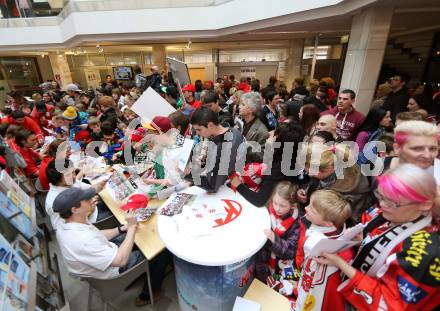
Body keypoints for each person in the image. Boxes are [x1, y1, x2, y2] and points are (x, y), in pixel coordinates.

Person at [317, 164, 440, 310]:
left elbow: (388, 305)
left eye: (393, 202)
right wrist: (362, 242)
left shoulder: (424, 252)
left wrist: (341, 264)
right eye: (380, 196)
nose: (382, 205)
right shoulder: (402, 214)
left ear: (424, 205)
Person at [53, 187, 170, 306]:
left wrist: (122, 228)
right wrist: (132, 227)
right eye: (86, 200)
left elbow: (98, 235)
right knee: (158, 250)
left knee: (139, 237)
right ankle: (148, 295)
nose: (92, 199)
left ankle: (142, 274)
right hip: (113, 272)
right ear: (75, 209)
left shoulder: (66, 224)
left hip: (105, 256)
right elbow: (121, 260)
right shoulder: (82, 240)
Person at [296, 189, 352, 311]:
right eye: (309, 204)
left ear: (327, 223)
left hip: (315, 288)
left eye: (312, 209)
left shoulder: (316, 242)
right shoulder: (337, 227)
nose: (306, 208)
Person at [230, 121, 305, 206]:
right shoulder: (292, 156)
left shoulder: (279, 169)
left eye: (274, 135)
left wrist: (237, 184)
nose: (269, 134)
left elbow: (259, 200)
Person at [255, 181, 306, 300]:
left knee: (282, 290)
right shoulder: (266, 210)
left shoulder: (298, 222)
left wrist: (274, 239)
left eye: (282, 206)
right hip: (263, 261)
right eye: (275, 203)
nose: (277, 208)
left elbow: (291, 251)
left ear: (292, 205)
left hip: (285, 266)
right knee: (263, 288)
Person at [299, 143, 372, 221]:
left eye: (311, 171)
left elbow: (339, 219)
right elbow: (314, 183)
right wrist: (304, 189)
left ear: (328, 169)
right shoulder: (331, 166)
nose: (310, 175)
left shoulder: (346, 193)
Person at [190, 107, 245, 193]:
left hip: (227, 190)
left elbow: (212, 186)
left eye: (199, 129)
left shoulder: (225, 146)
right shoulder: (230, 130)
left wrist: (189, 173)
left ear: (210, 125)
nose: (197, 133)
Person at [238, 92, 269, 162]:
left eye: (243, 104)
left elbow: (262, 157)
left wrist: (247, 147)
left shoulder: (262, 131)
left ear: (252, 109)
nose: (239, 106)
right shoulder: (240, 122)